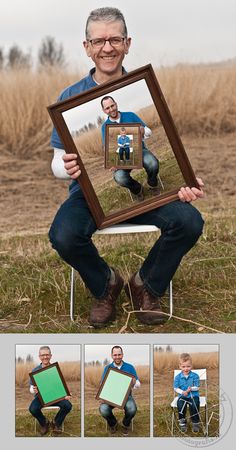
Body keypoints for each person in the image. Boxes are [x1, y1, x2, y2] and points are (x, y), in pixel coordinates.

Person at [49, 6, 204, 328]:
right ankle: (105, 285)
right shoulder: (70, 98)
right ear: (87, 47)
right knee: (63, 235)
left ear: (128, 43)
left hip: (148, 192)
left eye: (115, 39)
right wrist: (67, 167)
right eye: (99, 41)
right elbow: (56, 163)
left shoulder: (143, 89)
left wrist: (186, 182)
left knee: (189, 221)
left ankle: (146, 285)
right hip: (88, 194)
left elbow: (156, 135)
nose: (108, 47)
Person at [101, 95, 159, 200]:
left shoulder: (130, 115)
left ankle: (152, 184)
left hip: (140, 151)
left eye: (112, 106)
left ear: (116, 104)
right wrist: (112, 161)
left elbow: (148, 132)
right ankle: (137, 189)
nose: (111, 109)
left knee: (153, 163)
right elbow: (107, 147)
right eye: (107, 108)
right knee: (119, 177)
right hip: (123, 159)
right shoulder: (105, 127)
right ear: (104, 110)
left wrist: (142, 130)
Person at [28, 346, 72, 435]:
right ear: (39, 356)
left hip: (56, 396)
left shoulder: (55, 368)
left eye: (47, 355)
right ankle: (44, 423)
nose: (45, 357)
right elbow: (31, 388)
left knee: (68, 405)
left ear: (51, 356)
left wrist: (66, 393)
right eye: (43, 355)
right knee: (33, 409)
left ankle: (56, 422)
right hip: (41, 398)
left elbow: (61, 385)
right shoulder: (35, 370)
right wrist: (33, 389)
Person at [99, 346, 140, 435]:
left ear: (122, 355)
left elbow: (138, 384)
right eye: (115, 355)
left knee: (132, 409)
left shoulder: (130, 367)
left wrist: (134, 382)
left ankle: (125, 424)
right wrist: (102, 396)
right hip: (110, 397)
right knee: (103, 409)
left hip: (126, 397)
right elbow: (102, 384)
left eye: (119, 354)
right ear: (112, 356)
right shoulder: (107, 368)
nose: (117, 357)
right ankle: (113, 423)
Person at [174, 353, 200, 433]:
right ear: (180, 366)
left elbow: (197, 387)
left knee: (194, 404)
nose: (186, 369)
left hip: (193, 395)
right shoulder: (178, 377)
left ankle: (195, 423)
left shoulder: (195, 375)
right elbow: (176, 388)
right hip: (183, 396)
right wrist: (182, 392)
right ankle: (182, 422)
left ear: (191, 366)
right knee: (180, 404)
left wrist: (191, 389)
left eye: (188, 366)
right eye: (183, 366)